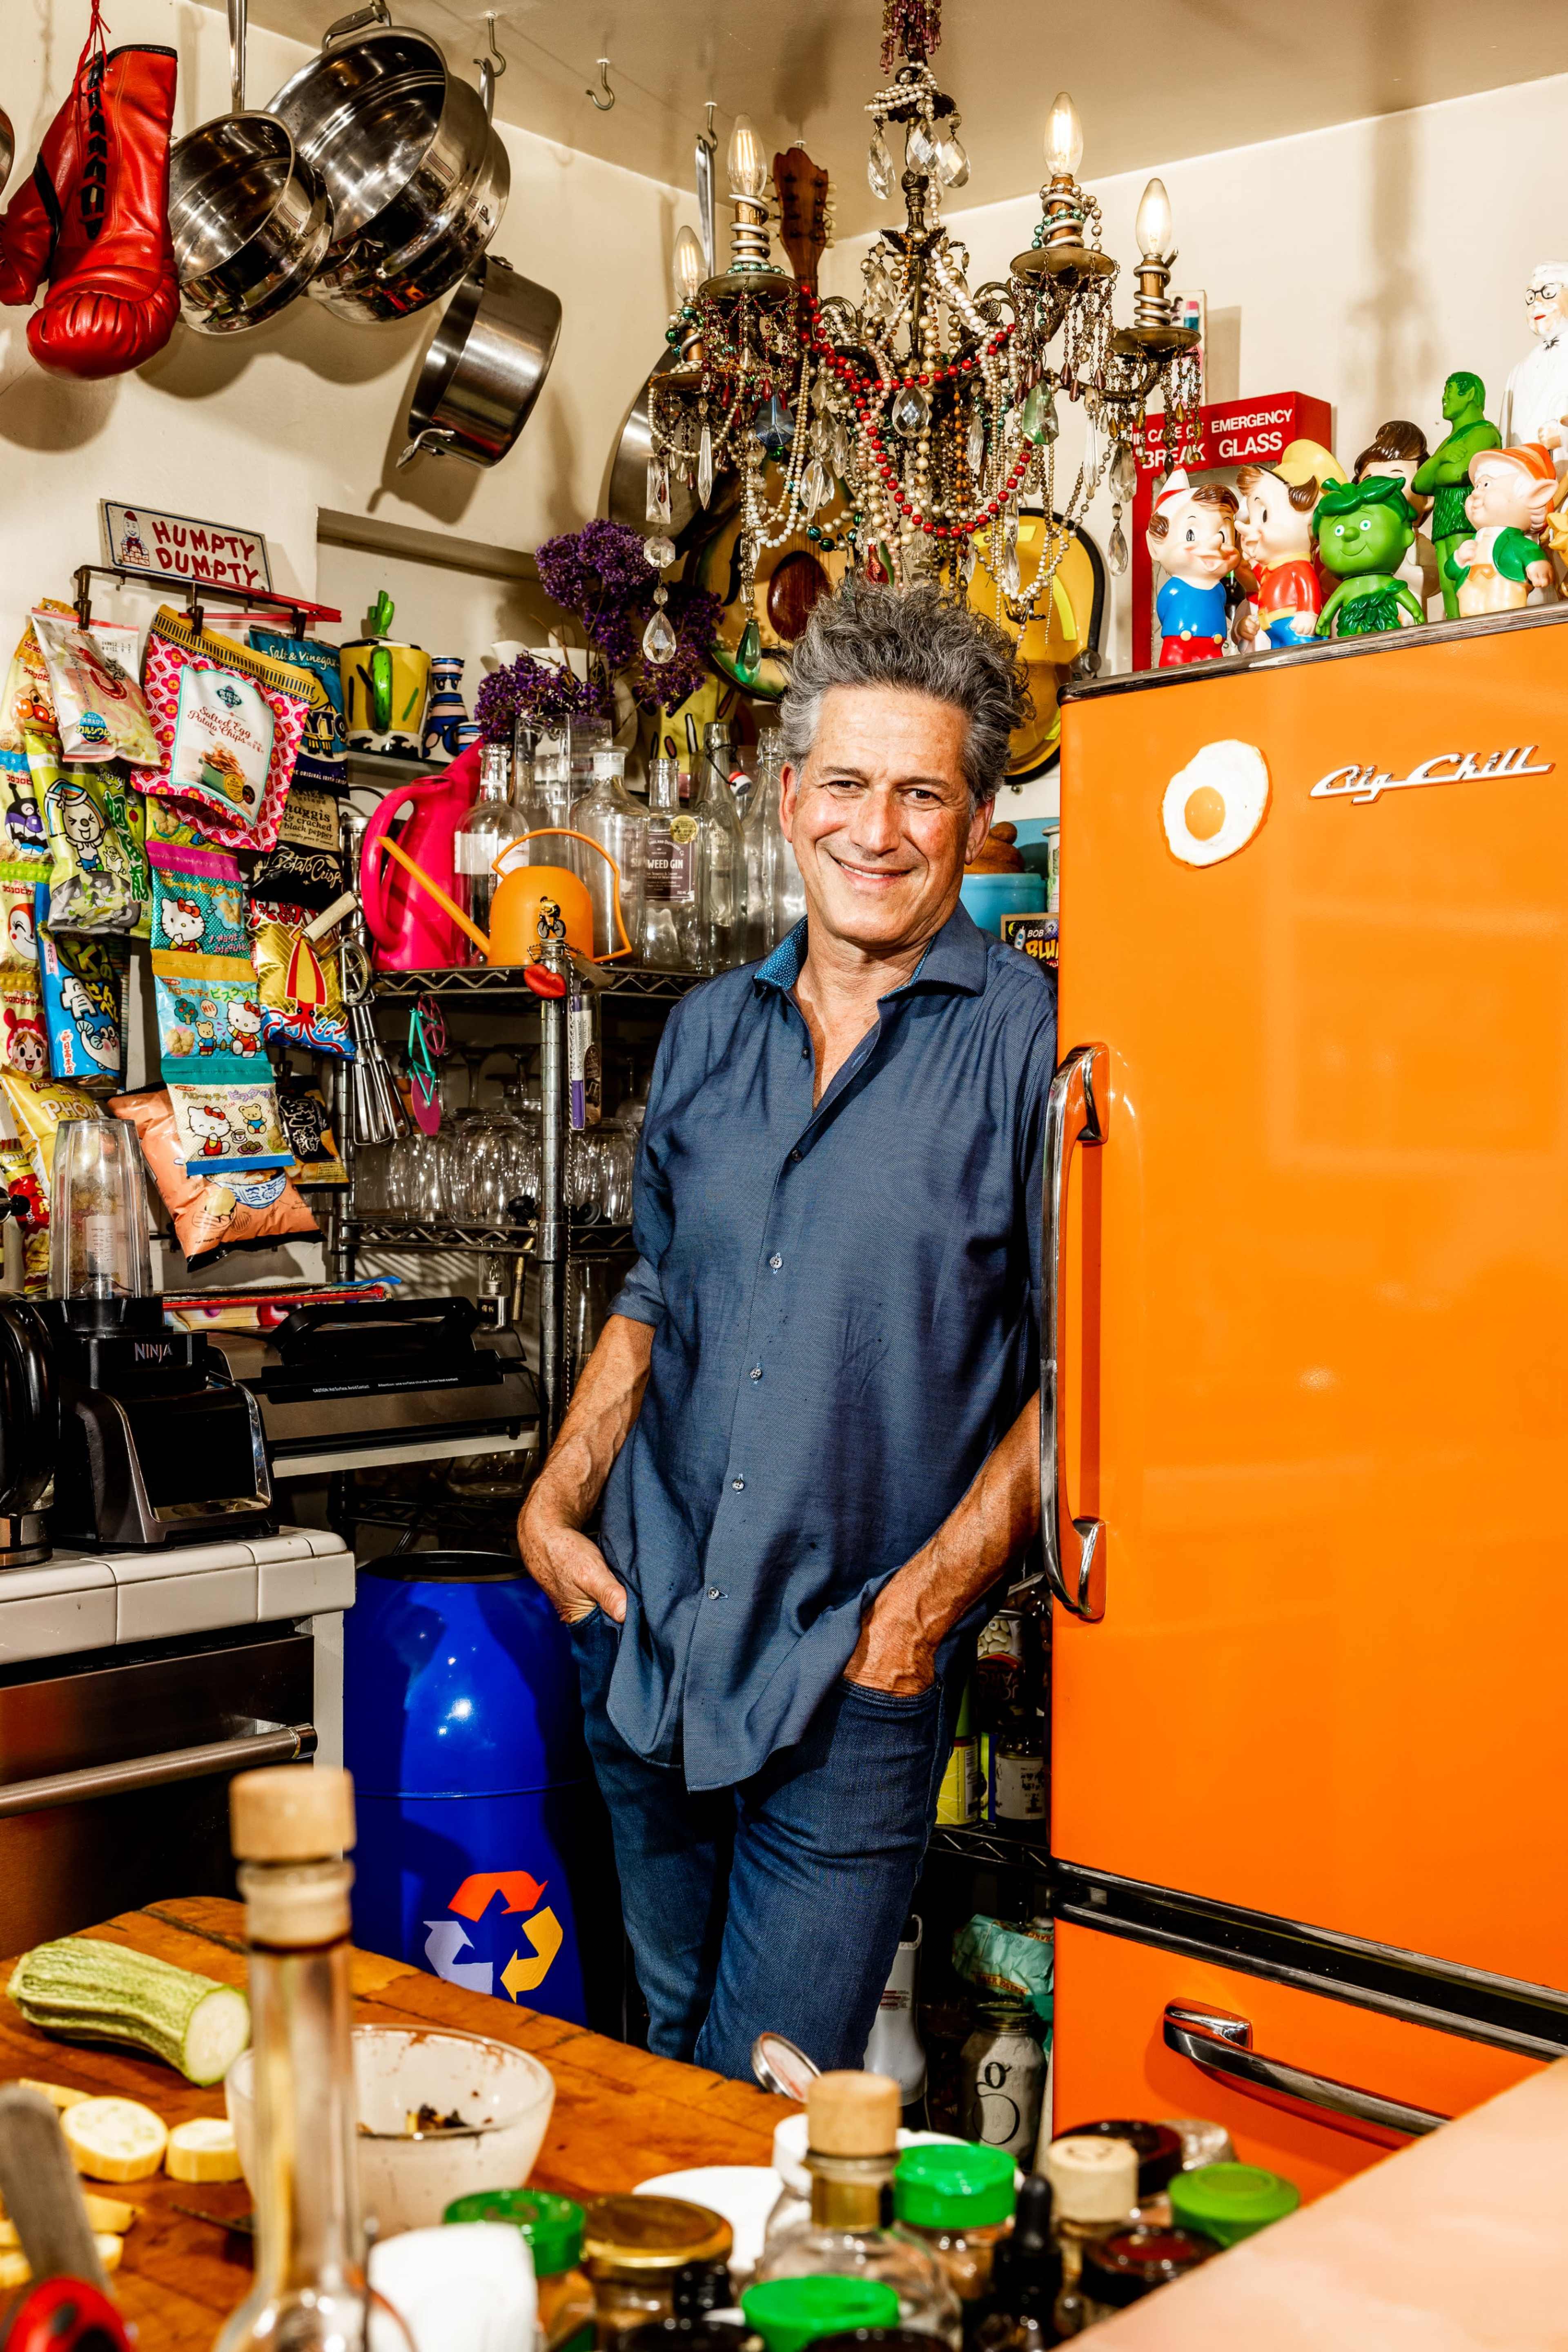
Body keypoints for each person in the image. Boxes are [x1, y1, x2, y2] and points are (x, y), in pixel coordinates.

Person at [519, 580, 1056, 2081]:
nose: (875, 831)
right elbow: (652, 1297)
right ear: (785, 798)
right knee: (654, 2064)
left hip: (849, 1679)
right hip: (644, 1635)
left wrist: (918, 1618)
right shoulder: (701, 1030)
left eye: (920, 794)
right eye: (845, 786)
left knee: (769, 2096)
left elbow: (1085, 1373)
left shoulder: (1034, 1043)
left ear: (974, 819)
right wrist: (556, 1507)